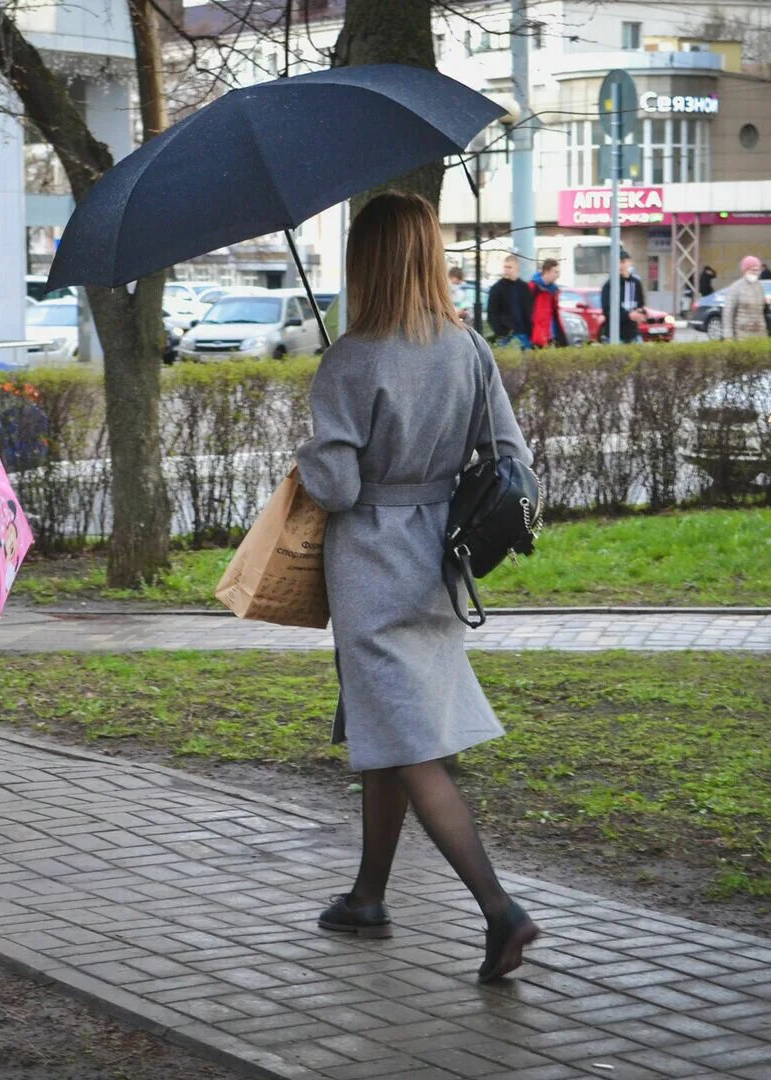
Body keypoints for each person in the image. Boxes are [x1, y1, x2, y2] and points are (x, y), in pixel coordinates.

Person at [296, 191, 541, 983]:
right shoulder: (466, 348)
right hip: (440, 557)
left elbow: (332, 487)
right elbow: (512, 456)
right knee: (388, 729)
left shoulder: (351, 358)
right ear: (429, 255)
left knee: (408, 743)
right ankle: (368, 897)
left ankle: (499, 910)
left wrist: (312, 446)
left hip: (370, 562)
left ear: (365, 262)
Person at [486, 254, 533, 349]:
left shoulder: (524, 287)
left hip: (524, 334)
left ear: (517, 268)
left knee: (527, 363)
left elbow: (529, 311)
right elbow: (492, 313)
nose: (506, 270)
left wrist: (530, 331)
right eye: (505, 267)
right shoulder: (497, 288)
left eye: (509, 267)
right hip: (506, 336)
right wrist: (501, 332)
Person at [599, 254, 647, 344]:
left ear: (630, 263)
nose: (620, 266)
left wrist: (641, 313)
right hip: (614, 335)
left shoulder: (636, 283)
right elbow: (607, 310)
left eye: (623, 262)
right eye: (617, 263)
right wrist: (628, 315)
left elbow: (640, 304)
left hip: (633, 334)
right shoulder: (609, 285)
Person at [720, 256, 770, 340]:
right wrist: (728, 336)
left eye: (758, 270)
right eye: (753, 270)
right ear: (745, 270)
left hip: (760, 335)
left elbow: (762, 311)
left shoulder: (759, 287)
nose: (756, 272)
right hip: (742, 336)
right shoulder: (736, 287)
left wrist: (767, 304)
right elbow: (728, 313)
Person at [528, 258, 569, 348]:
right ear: (547, 271)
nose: (558, 275)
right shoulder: (533, 287)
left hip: (550, 336)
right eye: (556, 272)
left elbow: (555, 314)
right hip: (536, 337)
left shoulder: (554, 290)